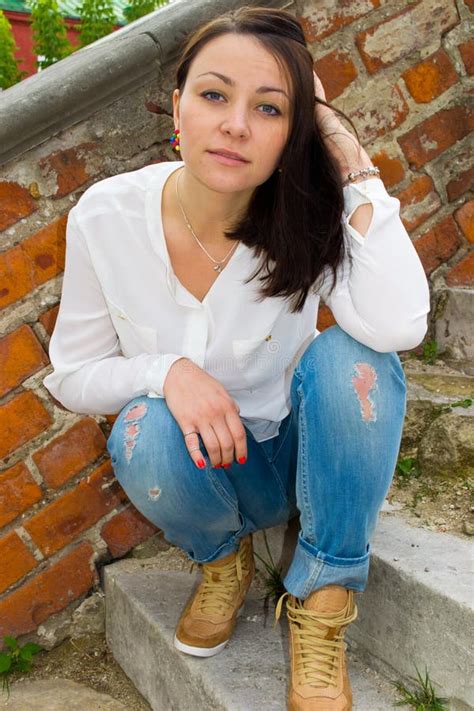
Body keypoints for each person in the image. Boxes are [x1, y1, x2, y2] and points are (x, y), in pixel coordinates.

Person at [43, 6, 430, 709]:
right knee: (141, 426)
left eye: (271, 108)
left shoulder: (309, 216)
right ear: (179, 107)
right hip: (204, 473)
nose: (235, 124)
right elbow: (70, 372)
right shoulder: (105, 217)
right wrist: (167, 371)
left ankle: (323, 601)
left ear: (294, 135)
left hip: (301, 461)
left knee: (355, 358)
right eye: (215, 95)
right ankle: (222, 557)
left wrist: (354, 164)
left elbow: (400, 323)